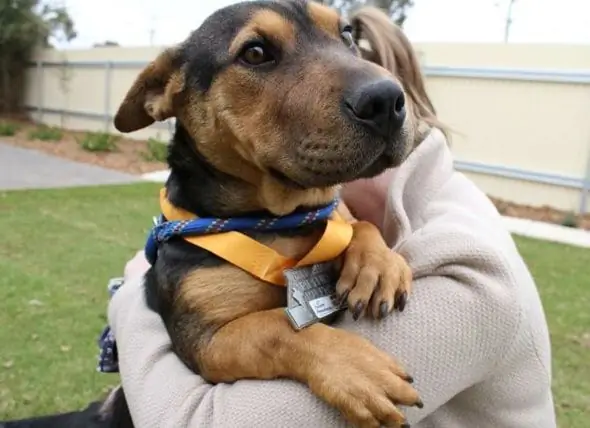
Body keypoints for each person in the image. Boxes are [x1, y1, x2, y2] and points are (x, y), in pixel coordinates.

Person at [108, 7, 557, 428]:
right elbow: (210, 338)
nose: (355, 80)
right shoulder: (325, 208)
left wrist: (129, 294)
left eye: (342, 39)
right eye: (258, 54)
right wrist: (361, 242)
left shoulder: (473, 275)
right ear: (172, 95)